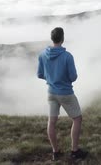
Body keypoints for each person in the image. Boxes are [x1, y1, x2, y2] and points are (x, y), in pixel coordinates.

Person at [37, 27, 88, 161]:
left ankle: (56, 152)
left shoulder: (42, 55)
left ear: (52, 38)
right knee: (77, 119)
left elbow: (40, 74)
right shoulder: (67, 56)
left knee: (52, 122)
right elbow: (73, 77)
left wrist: (52, 78)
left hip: (51, 92)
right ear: (62, 38)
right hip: (66, 93)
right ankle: (75, 151)